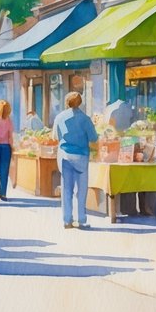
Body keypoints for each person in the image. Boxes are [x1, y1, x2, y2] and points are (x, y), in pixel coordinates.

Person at [53, 92, 98, 229]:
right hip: (81, 157)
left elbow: (55, 137)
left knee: (67, 189)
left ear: (66, 102)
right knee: (81, 189)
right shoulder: (85, 119)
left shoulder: (59, 117)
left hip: (65, 156)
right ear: (80, 103)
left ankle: (67, 220)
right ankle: (81, 220)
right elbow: (93, 137)